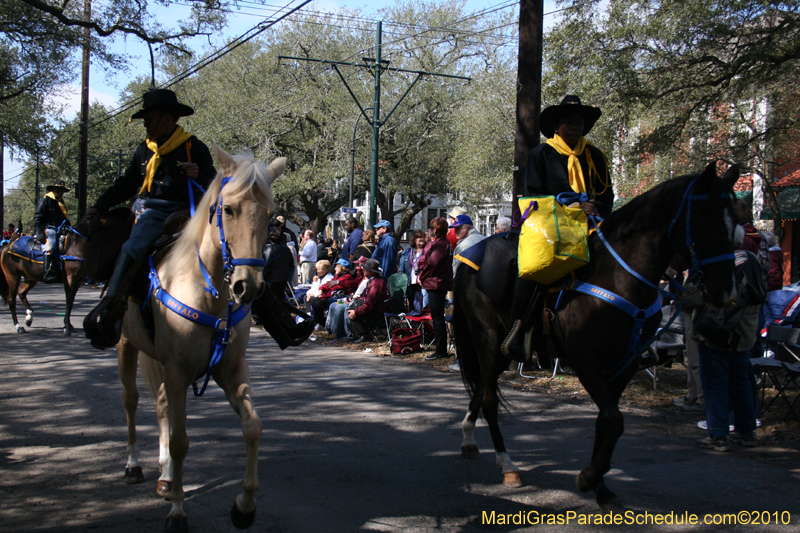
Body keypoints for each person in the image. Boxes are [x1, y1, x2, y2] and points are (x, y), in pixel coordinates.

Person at [82, 88, 216, 348]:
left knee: (228, 249)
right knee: (130, 247)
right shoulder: (144, 150)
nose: (145, 125)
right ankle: (111, 307)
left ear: (167, 119)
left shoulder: (193, 146)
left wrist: (198, 175)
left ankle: (261, 309)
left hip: (191, 212)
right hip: (156, 212)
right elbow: (127, 183)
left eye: (149, 119)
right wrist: (99, 206)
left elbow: (214, 184)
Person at [503, 95, 613, 360]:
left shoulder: (595, 155)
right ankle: (518, 329)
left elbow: (606, 193)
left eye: (579, 122)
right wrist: (574, 206)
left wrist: (597, 209)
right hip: (552, 224)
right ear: (556, 126)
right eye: (569, 122)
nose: (575, 126)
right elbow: (534, 195)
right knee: (531, 265)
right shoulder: (541, 154)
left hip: (591, 223)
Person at [690, 226, 766, 451]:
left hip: (717, 330)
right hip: (745, 332)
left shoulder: (721, 263)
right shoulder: (752, 259)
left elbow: (702, 296)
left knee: (715, 383)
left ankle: (718, 434)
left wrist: (690, 288)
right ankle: (746, 431)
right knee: (741, 381)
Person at [418, 218, 454, 360]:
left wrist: (422, 276)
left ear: (436, 230)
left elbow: (432, 264)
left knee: (437, 318)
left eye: (431, 227)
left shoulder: (441, 244)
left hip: (436, 283)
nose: (429, 230)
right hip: (436, 282)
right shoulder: (441, 243)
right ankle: (440, 349)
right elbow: (426, 261)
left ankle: (440, 350)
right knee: (437, 317)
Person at [34, 180, 72, 283]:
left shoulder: (61, 203)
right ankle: (48, 273)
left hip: (61, 229)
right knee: (51, 246)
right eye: (58, 190)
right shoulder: (45, 200)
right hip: (49, 229)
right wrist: (39, 232)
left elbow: (63, 218)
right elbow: (38, 217)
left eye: (62, 190)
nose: (60, 192)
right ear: (53, 190)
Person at [346, 258, 390, 343]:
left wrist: (356, 312)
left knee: (353, 310)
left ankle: (364, 335)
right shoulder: (374, 280)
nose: (363, 271)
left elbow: (369, 304)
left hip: (380, 311)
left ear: (370, 271)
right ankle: (356, 334)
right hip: (377, 308)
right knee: (352, 308)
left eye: (365, 269)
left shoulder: (376, 283)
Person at [307, 258, 359, 329]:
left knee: (319, 303)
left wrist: (323, 296)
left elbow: (334, 288)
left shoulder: (346, 277)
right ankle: (318, 322)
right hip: (335, 297)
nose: (334, 269)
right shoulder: (337, 276)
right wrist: (321, 289)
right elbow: (328, 284)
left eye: (336, 267)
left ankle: (323, 324)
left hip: (345, 299)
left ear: (341, 268)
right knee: (314, 301)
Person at [326, 257, 368, 340]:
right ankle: (331, 330)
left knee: (338, 305)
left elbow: (354, 284)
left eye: (359, 265)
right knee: (333, 304)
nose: (357, 267)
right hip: (350, 298)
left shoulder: (351, 277)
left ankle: (344, 333)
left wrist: (338, 283)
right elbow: (328, 285)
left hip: (352, 300)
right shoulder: (359, 276)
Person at [262, 222, 294, 300]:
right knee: (279, 299)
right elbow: (291, 264)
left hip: (271, 280)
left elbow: (266, 264)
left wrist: (263, 276)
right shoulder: (286, 249)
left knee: (270, 300)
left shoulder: (270, 249)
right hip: (283, 279)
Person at [398, 229, 426, 311]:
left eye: (423, 237)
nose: (421, 239)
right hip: (410, 282)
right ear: (414, 239)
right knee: (412, 305)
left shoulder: (427, 251)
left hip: (423, 282)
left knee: (423, 305)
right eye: (419, 237)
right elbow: (401, 269)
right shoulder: (407, 252)